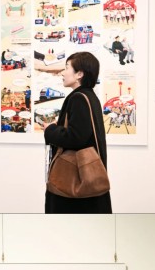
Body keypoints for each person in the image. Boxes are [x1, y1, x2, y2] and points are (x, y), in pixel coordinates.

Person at [42, 52, 111, 213]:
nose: (63, 73)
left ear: (79, 74)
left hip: (75, 185)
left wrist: (50, 130)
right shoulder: (90, 96)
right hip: (88, 180)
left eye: (67, 68)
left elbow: (76, 138)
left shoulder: (78, 98)